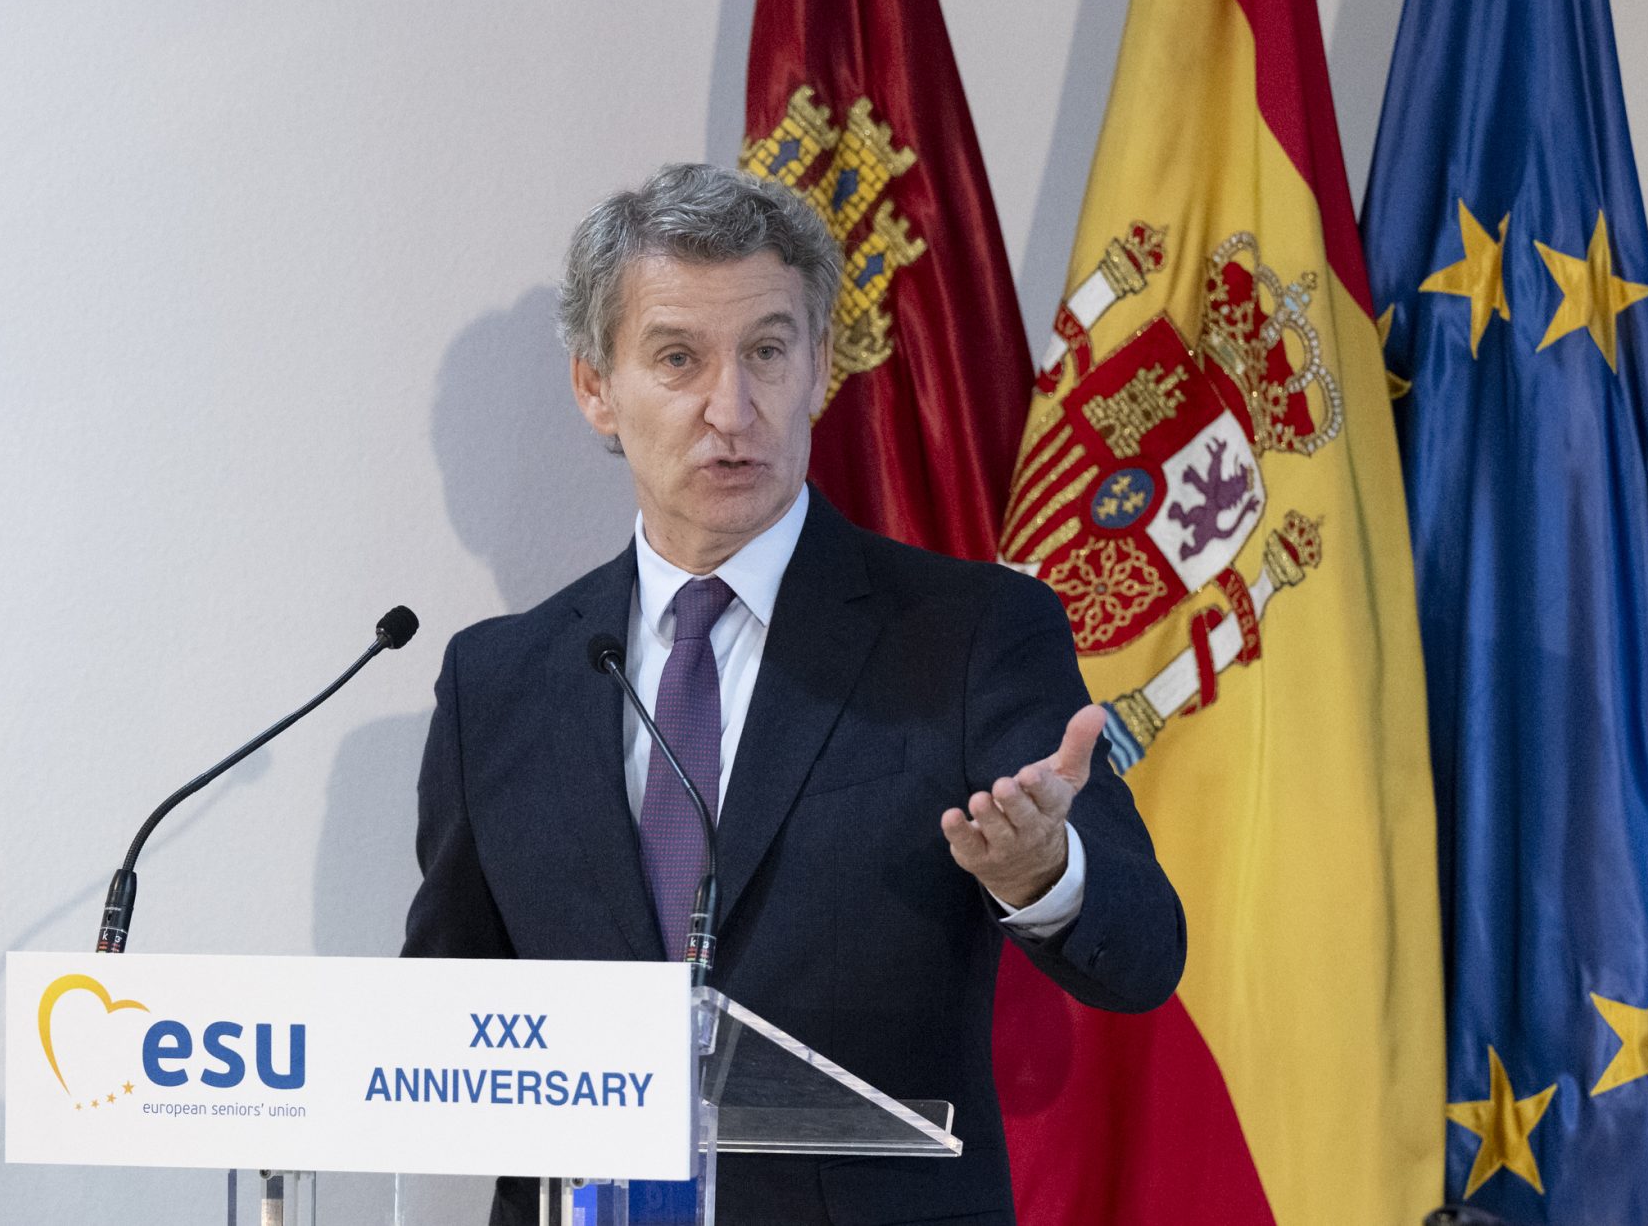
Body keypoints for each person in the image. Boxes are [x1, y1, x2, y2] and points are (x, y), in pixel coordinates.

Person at [403, 163, 1184, 1226]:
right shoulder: (498, 682)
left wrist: (1042, 872)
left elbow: (1142, 956)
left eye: (768, 352)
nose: (732, 409)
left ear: (819, 365)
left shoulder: (968, 635)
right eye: (678, 358)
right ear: (595, 388)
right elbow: (443, 1021)